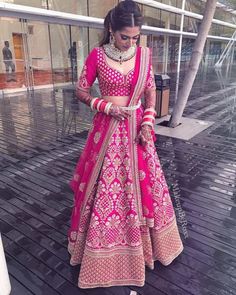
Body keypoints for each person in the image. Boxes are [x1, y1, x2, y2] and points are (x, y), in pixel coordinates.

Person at [68, 0, 183, 289]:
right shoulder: (96, 56)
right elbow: (81, 91)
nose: (130, 42)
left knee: (143, 188)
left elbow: (150, 93)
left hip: (135, 134)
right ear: (111, 29)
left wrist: (147, 123)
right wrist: (104, 107)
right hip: (106, 131)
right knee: (105, 189)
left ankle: (147, 248)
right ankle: (102, 251)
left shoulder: (144, 55)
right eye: (124, 37)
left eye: (135, 37)